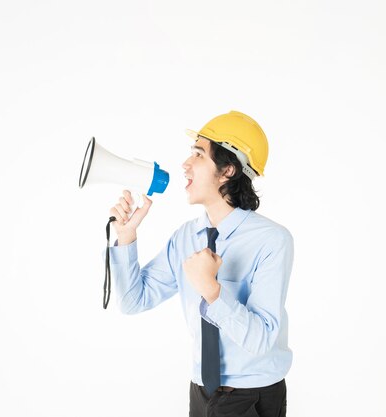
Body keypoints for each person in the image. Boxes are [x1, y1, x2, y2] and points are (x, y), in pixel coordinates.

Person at [106, 111, 293, 417]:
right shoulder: (185, 238)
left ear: (228, 170)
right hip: (201, 392)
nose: (184, 164)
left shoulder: (272, 240)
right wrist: (126, 238)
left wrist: (212, 291)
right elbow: (132, 301)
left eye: (198, 154)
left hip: (252, 396)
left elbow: (261, 340)